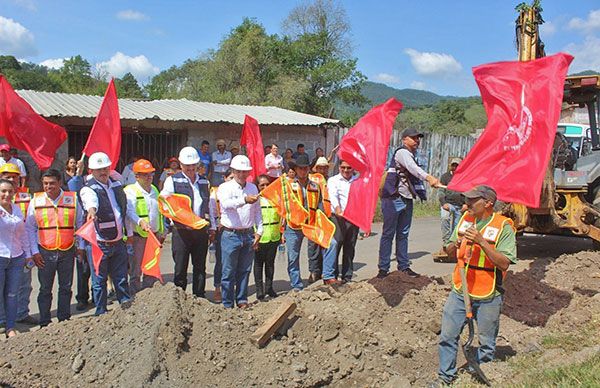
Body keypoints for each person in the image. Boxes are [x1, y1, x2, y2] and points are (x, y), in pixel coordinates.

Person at [436, 185, 517, 385]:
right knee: (448, 335)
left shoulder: (503, 226)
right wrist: (454, 244)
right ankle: (445, 377)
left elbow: (505, 262)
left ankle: (479, 377)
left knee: (487, 344)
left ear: (488, 203)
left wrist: (482, 241)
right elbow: (448, 251)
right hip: (460, 290)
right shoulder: (465, 220)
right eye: (467, 200)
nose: (467, 204)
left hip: (488, 293)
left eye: (473, 200)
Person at [378, 128, 441, 278]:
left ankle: (403, 266)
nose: (417, 140)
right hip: (394, 197)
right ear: (404, 139)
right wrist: (429, 177)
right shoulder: (402, 153)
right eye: (414, 138)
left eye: (418, 138)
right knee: (389, 234)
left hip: (406, 198)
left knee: (403, 234)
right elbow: (413, 169)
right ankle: (383, 268)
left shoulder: (412, 154)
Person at [25, 169, 84, 327]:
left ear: (59, 183)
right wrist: (34, 252)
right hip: (44, 250)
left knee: (65, 287)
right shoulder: (35, 201)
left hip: (67, 249)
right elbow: (30, 228)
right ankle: (45, 322)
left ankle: (64, 320)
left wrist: (81, 247)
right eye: (45, 183)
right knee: (45, 289)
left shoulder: (72, 199)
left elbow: (80, 224)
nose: (48, 186)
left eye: (52, 183)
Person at [79, 152, 134, 315]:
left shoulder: (116, 186)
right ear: (91, 171)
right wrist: (91, 210)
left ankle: (125, 306)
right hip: (99, 244)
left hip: (118, 242)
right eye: (99, 170)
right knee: (99, 280)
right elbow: (91, 201)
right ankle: (101, 311)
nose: (103, 172)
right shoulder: (88, 189)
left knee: (121, 277)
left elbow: (127, 208)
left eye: (105, 168)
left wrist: (139, 222)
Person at [161, 146, 212, 298]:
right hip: (181, 231)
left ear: (197, 165)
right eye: (187, 165)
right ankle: (180, 299)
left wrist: (212, 227)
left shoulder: (204, 182)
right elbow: (164, 202)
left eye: (193, 165)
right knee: (180, 268)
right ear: (181, 165)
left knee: (200, 268)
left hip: (200, 231)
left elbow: (208, 205)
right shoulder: (172, 181)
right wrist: (173, 219)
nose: (190, 168)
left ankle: (199, 297)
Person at [283, 154, 338, 289]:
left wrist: (323, 221)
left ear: (309, 169)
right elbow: (283, 207)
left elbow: (320, 205)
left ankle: (328, 276)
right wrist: (281, 228)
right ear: (295, 169)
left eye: (305, 168)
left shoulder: (315, 185)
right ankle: (297, 286)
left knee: (331, 243)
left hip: (312, 224)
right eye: (300, 168)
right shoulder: (288, 186)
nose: (303, 171)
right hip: (294, 226)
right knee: (293, 257)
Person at [217, 155, 262, 308]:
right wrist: (244, 200)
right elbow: (226, 204)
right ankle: (227, 303)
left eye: (245, 172)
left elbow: (257, 211)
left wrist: (259, 231)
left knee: (244, 270)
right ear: (233, 171)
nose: (242, 174)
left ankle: (242, 300)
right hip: (230, 233)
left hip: (248, 233)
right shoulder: (225, 187)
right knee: (228, 271)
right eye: (239, 171)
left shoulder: (252, 187)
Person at [0, 163, 36, 326]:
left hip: (19, 251)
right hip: (3, 252)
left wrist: (30, 253)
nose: (11, 179)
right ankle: (3, 320)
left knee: (23, 285)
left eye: (14, 177)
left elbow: (27, 228)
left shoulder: (26, 198)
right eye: (7, 177)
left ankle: (21, 313)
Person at [124, 159, 166, 294]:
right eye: (145, 174)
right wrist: (139, 223)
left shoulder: (154, 189)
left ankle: (149, 295)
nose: (149, 177)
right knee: (136, 269)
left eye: (151, 174)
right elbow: (129, 212)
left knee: (151, 267)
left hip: (153, 236)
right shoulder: (130, 191)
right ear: (136, 176)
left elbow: (158, 212)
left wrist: (161, 230)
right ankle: (135, 295)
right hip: (139, 236)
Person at [327, 160, 360, 283]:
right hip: (338, 218)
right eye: (343, 167)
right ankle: (333, 275)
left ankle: (347, 276)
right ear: (339, 167)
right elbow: (333, 196)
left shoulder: (358, 180)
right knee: (336, 245)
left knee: (350, 247)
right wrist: (338, 209)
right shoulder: (333, 180)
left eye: (349, 167)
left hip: (353, 218)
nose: (346, 170)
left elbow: (363, 199)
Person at [67, 158, 92, 310]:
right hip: (82, 230)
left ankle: (97, 296)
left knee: (97, 269)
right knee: (83, 268)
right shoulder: (79, 180)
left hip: (97, 231)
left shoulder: (103, 179)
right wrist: (78, 172)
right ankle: (82, 298)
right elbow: (73, 189)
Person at [254, 175, 283, 299]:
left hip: (274, 235)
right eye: (262, 185)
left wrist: (282, 232)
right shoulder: (255, 200)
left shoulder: (276, 198)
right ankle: (259, 290)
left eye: (267, 184)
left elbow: (282, 216)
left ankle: (269, 288)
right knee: (259, 264)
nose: (265, 187)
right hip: (260, 237)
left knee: (270, 264)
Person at [208, 169, 234, 303]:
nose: (232, 180)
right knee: (221, 261)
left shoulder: (238, 191)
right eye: (230, 177)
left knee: (233, 260)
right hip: (221, 229)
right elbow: (212, 213)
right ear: (224, 178)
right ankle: (218, 288)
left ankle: (230, 288)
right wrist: (213, 229)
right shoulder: (215, 194)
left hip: (234, 228)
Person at [306, 156, 332, 283]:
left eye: (324, 168)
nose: (322, 170)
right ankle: (313, 271)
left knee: (325, 243)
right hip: (313, 216)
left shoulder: (331, 181)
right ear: (315, 168)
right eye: (320, 167)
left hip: (327, 217)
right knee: (313, 245)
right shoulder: (310, 180)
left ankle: (324, 270)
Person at [436, 158, 465, 259]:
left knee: (457, 226)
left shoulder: (465, 177)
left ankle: (453, 245)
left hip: (460, 205)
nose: (455, 167)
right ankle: (446, 243)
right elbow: (440, 191)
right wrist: (443, 203)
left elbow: (469, 191)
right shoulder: (445, 177)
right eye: (454, 165)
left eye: (457, 165)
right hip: (448, 204)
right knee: (445, 218)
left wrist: (466, 204)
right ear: (451, 166)